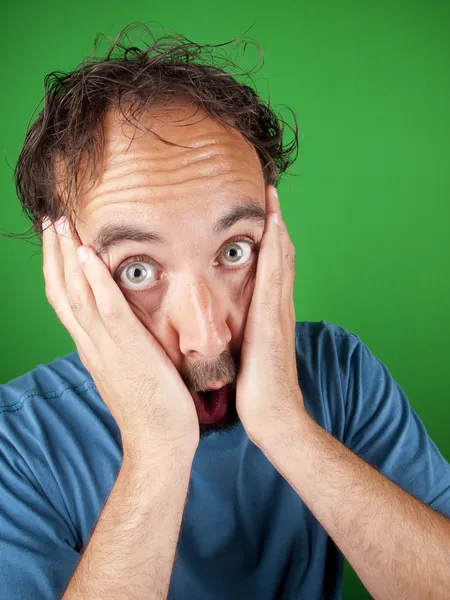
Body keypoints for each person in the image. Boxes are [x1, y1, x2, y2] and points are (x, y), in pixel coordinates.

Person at [1, 23, 449, 600]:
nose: (208, 336)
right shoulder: (16, 446)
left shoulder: (341, 374)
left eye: (233, 251)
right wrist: (157, 450)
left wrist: (287, 427)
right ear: (67, 279)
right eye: (137, 269)